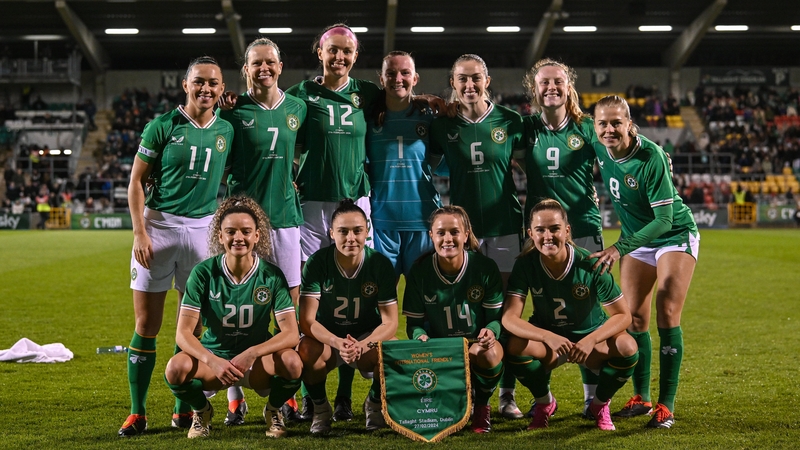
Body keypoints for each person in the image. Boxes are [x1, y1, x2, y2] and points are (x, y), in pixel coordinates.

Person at [119, 56, 233, 437]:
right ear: (185, 85)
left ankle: (182, 409)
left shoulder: (227, 129)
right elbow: (136, 182)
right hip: (160, 228)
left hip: (203, 231)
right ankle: (138, 412)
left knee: (194, 326)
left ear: (222, 88)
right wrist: (139, 232)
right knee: (147, 324)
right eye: (199, 82)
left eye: (213, 83)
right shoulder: (162, 126)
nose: (206, 89)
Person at [285, 24, 382, 422]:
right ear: (319, 53)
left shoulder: (367, 93)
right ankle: (315, 395)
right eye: (333, 51)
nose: (339, 57)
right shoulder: (299, 95)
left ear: (355, 57)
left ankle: (344, 395)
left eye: (347, 51)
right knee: (318, 297)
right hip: (311, 204)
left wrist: (431, 100)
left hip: (355, 203)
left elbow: (402, 100)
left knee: (355, 293)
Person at [591, 95, 699, 429]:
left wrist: (618, 248)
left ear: (629, 123)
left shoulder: (649, 156)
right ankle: (642, 397)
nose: (609, 129)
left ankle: (666, 405)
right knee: (634, 317)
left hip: (673, 235)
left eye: (616, 123)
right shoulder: (598, 145)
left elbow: (664, 220)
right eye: (602, 123)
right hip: (637, 240)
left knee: (667, 310)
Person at [429, 53, 524, 418]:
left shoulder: (511, 121)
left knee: (504, 313)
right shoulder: (442, 125)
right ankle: (466, 392)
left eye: (476, 78)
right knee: (463, 311)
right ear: (452, 84)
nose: (469, 85)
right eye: (462, 79)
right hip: (461, 233)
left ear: (489, 80)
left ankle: (507, 394)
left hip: (504, 228)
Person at [163, 196, 302, 439]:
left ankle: (273, 410)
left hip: (256, 363)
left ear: (257, 236)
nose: (238, 237)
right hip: (215, 361)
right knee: (175, 368)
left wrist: (253, 352)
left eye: (246, 231)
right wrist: (212, 361)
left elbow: (290, 333)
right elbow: (183, 333)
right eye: (231, 232)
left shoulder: (271, 275)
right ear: (220, 237)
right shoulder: (203, 273)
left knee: (293, 363)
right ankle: (202, 411)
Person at [220, 37, 307, 425]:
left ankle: (287, 392)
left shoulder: (298, 108)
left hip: (286, 220)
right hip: (243, 223)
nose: (264, 68)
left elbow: (306, 152)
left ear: (280, 66)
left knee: (289, 311)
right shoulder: (233, 112)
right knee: (234, 311)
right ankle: (235, 397)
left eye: (270, 62)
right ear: (245, 70)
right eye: (256, 63)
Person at [517, 58, 606, 419]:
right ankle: (538, 396)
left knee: (588, 315)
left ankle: (592, 399)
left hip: (582, 227)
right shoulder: (525, 128)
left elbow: (619, 152)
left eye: (558, 82)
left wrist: (655, 153)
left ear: (569, 87)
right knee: (533, 308)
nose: (551, 88)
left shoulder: (587, 128)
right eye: (543, 83)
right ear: (533, 90)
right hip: (540, 234)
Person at [502, 199, 638, 431]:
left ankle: (599, 404)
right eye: (540, 230)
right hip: (552, 345)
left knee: (627, 346)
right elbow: (509, 318)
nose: (548, 236)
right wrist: (547, 336)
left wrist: (591, 339)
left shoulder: (590, 264)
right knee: (514, 346)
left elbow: (623, 316)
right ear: (530, 234)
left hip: (590, 344)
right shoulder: (526, 265)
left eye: (554, 228)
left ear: (566, 231)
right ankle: (545, 403)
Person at [297, 199, 398, 434]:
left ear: (367, 231)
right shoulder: (317, 263)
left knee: (392, 350)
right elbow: (307, 321)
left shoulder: (379, 264)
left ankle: (374, 405)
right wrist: (336, 342)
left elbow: (391, 322)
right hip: (328, 340)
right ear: (332, 233)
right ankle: (321, 410)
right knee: (305, 350)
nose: (350, 238)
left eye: (357, 231)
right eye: (343, 231)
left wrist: (363, 344)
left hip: (364, 337)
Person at [402, 205, 505, 433]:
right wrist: (420, 337)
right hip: (440, 350)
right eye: (441, 233)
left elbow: (495, 319)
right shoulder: (419, 272)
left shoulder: (485, 267)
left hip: (475, 346)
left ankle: (482, 405)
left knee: (489, 354)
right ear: (431, 236)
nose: (448, 239)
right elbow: (414, 324)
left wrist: (490, 332)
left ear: (466, 235)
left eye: (454, 232)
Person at [366, 50, 441, 279]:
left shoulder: (429, 117)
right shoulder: (367, 118)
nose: (398, 79)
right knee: (381, 299)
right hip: (381, 223)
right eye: (391, 73)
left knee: (423, 300)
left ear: (415, 78)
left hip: (422, 220)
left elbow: (433, 162)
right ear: (381, 78)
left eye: (405, 73)